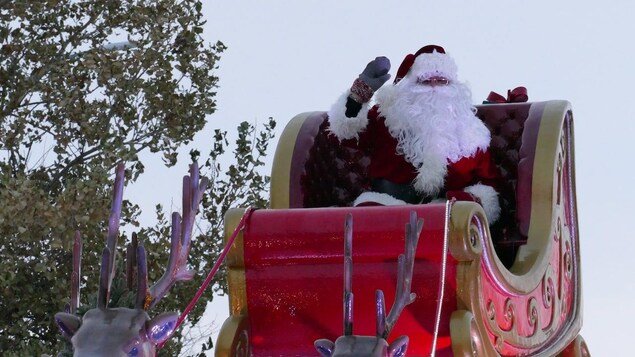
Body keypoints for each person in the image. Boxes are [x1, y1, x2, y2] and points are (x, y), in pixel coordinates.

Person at [327, 45, 502, 223]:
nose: (434, 87)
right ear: (410, 85)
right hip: (387, 210)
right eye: (425, 81)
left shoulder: (471, 133)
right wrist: (358, 96)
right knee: (369, 216)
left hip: (446, 217)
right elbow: (346, 134)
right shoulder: (388, 117)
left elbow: (487, 183)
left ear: (454, 87)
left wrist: (469, 201)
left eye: (442, 80)